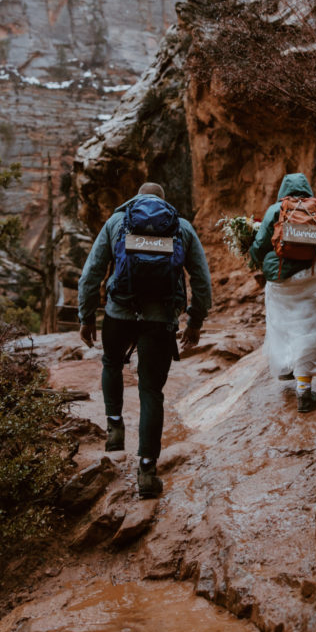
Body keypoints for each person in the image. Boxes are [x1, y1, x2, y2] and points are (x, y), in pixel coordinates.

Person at [78, 182, 212, 498]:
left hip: (119, 313)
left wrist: (86, 316)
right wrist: (195, 321)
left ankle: (114, 429)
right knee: (151, 389)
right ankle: (148, 471)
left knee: (111, 363)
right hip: (161, 319)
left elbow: (92, 273)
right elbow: (201, 280)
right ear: (163, 202)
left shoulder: (116, 222)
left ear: (136, 198)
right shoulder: (181, 227)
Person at [249, 173, 316, 413]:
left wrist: (256, 259)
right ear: (307, 189)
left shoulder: (276, 209)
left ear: (284, 190)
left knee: (283, 323)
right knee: (311, 328)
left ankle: (286, 370)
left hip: (283, 279)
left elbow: (260, 244)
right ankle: (304, 390)